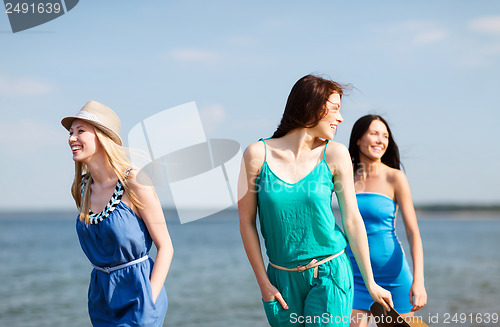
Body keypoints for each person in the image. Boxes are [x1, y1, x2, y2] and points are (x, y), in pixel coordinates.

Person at [238, 75, 393, 327]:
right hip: (280, 280)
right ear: (311, 106)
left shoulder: (335, 153)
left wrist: (371, 282)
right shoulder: (256, 155)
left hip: (330, 274)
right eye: (335, 109)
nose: (340, 118)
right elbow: (246, 223)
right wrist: (263, 283)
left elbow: (352, 220)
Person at [61, 100, 174, 327]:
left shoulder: (134, 182)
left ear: (102, 138)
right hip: (101, 299)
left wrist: (149, 300)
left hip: (138, 295)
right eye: (71, 132)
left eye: (80, 131)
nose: (72, 137)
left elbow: (166, 247)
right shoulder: (81, 188)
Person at [346, 115, 427, 327]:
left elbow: (413, 233)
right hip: (355, 273)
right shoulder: (344, 177)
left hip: (393, 274)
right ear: (358, 139)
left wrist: (419, 281)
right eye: (374, 133)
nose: (380, 140)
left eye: (385, 136)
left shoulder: (395, 177)